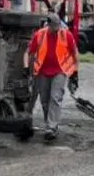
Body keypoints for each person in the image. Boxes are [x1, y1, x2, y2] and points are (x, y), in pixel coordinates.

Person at [24, 12, 79, 142]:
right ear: (48, 25)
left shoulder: (66, 34)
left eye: (58, 26)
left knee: (55, 97)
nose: (56, 29)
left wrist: (75, 71)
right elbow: (29, 53)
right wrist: (26, 68)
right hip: (42, 71)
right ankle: (49, 123)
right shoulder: (40, 35)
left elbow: (75, 53)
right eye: (54, 27)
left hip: (60, 70)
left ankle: (51, 127)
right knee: (44, 100)